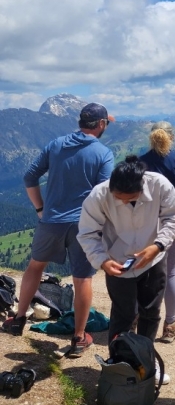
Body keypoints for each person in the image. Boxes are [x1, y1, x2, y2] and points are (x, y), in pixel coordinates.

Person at [2, 103, 115, 357]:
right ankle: (78, 338)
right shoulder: (103, 153)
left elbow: (30, 177)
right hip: (83, 225)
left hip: (50, 220)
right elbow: (105, 194)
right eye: (105, 123)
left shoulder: (56, 145)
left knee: (34, 267)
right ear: (100, 125)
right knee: (82, 278)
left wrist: (40, 209)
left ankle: (19, 319)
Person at [78, 157, 175, 365]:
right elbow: (87, 233)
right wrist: (102, 261)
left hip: (153, 258)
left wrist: (158, 245)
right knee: (123, 315)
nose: (124, 202)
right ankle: (118, 363)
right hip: (117, 261)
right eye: (119, 198)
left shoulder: (159, 185)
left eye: (130, 198)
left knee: (151, 312)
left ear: (141, 186)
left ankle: (146, 358)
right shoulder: (100, 194)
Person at [139, 121, 175, 342]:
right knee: (172, 271)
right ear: (171, 138)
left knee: (144, 271)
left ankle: (140, 316)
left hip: (147, 224)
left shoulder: (141, 162)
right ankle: (170, 325)